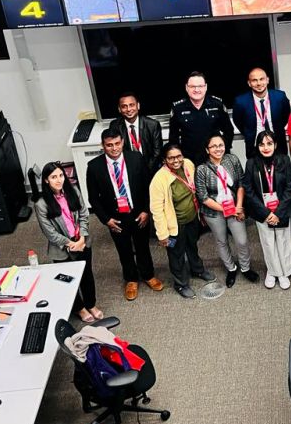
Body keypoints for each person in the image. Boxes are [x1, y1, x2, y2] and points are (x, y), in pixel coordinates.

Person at [85, 128, 162, 301]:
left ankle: (148, 275)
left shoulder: (136, 158)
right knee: (124, 249)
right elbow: (93, 198)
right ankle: (131, 279)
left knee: (143, 246)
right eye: (109, 145)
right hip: (116, 217)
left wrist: (145, 210)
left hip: (138, 212)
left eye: (117, 144)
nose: (114, 148)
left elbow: (146, 186)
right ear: (103, 145)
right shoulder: (94, 166)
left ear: (123, 142)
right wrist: (106, 220)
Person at [35, 162, 102, 323]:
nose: (58, 180)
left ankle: (91, 304)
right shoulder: (41, 204)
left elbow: (84, 215)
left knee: (87, 275)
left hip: (82, 240)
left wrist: (82, 237)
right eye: (53, 177)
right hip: (62, 248)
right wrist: (70, 244)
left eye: (60, 175)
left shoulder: (74, 191)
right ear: (46, 180)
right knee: (69, 280)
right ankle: (79, 308)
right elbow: (49, 232)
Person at [149, 143, 215, 299]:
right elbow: (156, 210)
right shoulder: (159, 179)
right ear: (164, 160)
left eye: (178, 156)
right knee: (176, 254)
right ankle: (181, 284)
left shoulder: (189, 164)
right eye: (170, 158)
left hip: (192, 217)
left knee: (192, 246)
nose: (176, 160)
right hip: (174, 225)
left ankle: (197, 269)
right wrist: (162, 235)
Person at [196, 133, 259, 288]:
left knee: (242, 240)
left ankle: (245, 268)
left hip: (235, 208)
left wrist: (238, 206)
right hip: (213, 212)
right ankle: (231, 269)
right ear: (207, 149)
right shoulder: (202, 169)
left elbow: (241, 184)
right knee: (221, 241)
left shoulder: (232, 160)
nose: (218, 149)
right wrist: (226, 210)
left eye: (221, 145)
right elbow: (203, 197)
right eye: (213, 146)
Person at [242, 130, 291, 290]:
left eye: (269, 143)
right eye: (262, 144)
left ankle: (285, 271)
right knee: (267, 242)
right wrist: (266, 213)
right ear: (257, 146)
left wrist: (277, 212)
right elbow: (249, 190)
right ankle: (272, 271)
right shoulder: (251, 163)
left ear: (276, 144)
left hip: (281, 208)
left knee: (283, 240)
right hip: (261, 210)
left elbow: (289, 187)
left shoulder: (284, 160)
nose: (266, 147)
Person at [169, 71, 235, 165]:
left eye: (200, 86)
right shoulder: (178, 108)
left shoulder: (217, 104)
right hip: (189, 160)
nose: (196, 89)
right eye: (192, 86)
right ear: (186, 88)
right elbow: (173, 138)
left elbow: (229, 131)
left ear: (206, 87)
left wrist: (222, 151)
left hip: (215, 158)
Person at [232, 67, 291, 158]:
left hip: (278, 146)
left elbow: (285, 115)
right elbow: (238, 121)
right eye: (254, 80)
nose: (259, 83)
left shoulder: (280, 97)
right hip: (254, 147)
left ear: (267, 80)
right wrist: (249, 133)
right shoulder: (240, 102)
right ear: (249, 83)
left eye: (262, 79)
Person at [108, 92, 163, 176]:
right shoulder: (115, 126)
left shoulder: (152, 125)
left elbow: (157, 152)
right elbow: (116, 151)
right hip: (127, 169)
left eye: (131, 105)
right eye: (124, 106)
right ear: (119, 109)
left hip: (150, 168)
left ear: (138, 106)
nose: (129, 109)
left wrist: (146, 170)